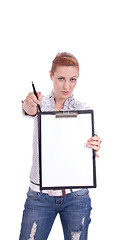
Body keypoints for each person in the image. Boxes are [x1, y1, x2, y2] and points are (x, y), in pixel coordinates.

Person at [19, 52, 101, 240]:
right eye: (61, 78)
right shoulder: (41, 105)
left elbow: (93, 137)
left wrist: (96, 142)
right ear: (51, 76)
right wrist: (29, 102)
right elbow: (28, 110)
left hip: (76, 197)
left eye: (72, 79)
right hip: (39, 196)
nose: (66, 86)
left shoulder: (82, 109)